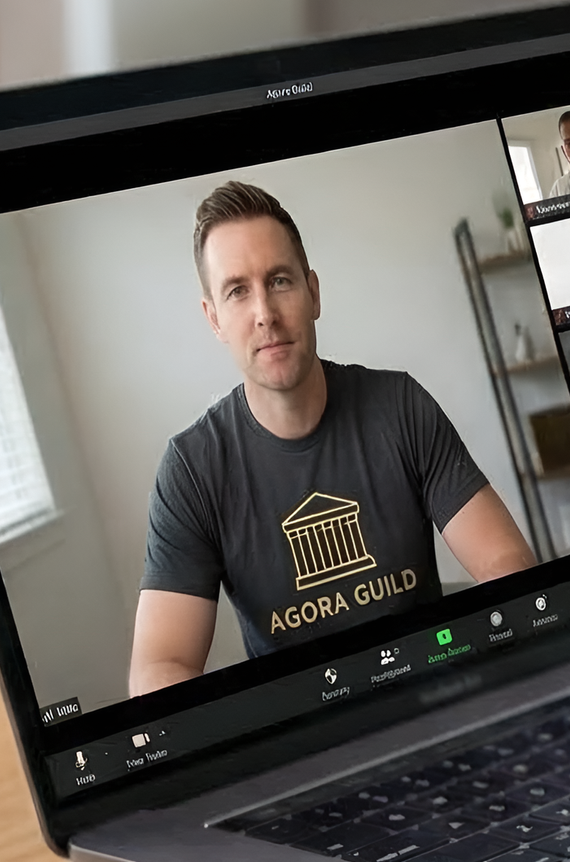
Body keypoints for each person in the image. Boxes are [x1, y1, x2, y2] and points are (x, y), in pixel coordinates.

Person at [129, 181, 536, 692]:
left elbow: (507, 563)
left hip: (434, 690)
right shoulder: (192, 470)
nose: (264, 313)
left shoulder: (400, 406)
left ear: (313, 293)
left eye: (279, 281)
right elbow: (159, 667)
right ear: (214, 319)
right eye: (237, 291)